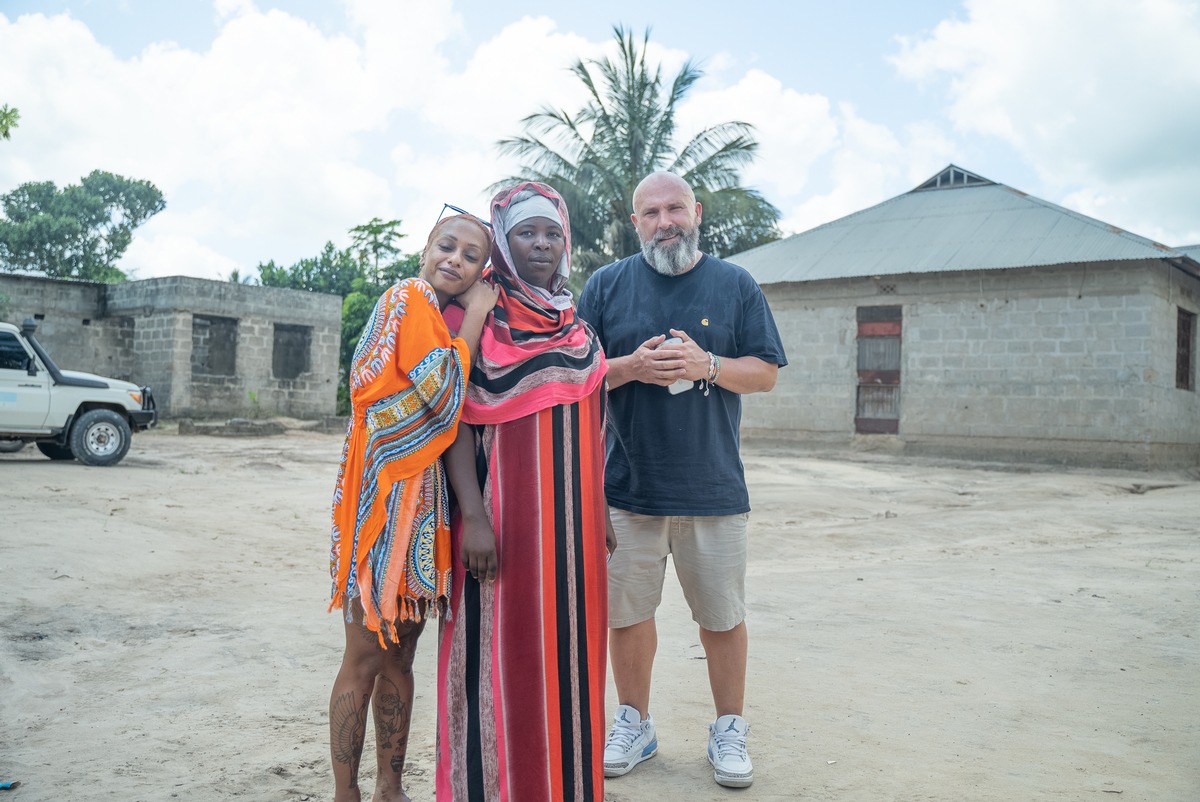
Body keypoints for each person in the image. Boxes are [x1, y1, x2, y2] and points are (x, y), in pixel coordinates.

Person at [576, 171, 788, 789]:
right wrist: (631, 366)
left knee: (720, 617)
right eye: (651, 212)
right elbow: (577, 374)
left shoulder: (735, 284)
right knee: (627, 614)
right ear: (635, 222)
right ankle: (635, 724)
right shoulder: (606, 286)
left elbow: (766, 373)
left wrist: (709, 364)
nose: (665, 221)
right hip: (628, 488)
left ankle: (729, 730)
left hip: (713, 489)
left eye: (675, 209)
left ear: (696, 213)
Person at [436, 182, 613, 802]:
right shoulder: (475, 318)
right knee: (495, 663)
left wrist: (601, 508)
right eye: (525, 233)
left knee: (569, 662)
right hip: (502, 525)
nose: (541, 244)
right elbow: (453, 416)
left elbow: (591, 421)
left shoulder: (578, 327)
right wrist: (474, 516)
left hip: (574, 533)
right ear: (503, 246)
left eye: (552, 233)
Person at [327, 211, 498, 802]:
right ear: (425, 249)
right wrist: (476, 314)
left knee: (401, 650)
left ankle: (389, 789)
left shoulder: (422, 307)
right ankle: (346, 795)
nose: (455, 259)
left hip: (419, 510)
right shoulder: (410, 300)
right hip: (385, 506)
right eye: (446, 246)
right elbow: (445, 391)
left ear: (483, 266)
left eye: (471, 255)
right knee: (366, 652)